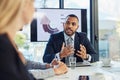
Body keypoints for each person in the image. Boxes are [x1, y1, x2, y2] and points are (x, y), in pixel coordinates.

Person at [0, 0, 68, 80]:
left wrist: (47, 66)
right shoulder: (3, 48)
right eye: (32, 3)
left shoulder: (7, 43)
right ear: (22, 6)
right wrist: (54, 71)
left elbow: (26, 64)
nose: (34, 9)